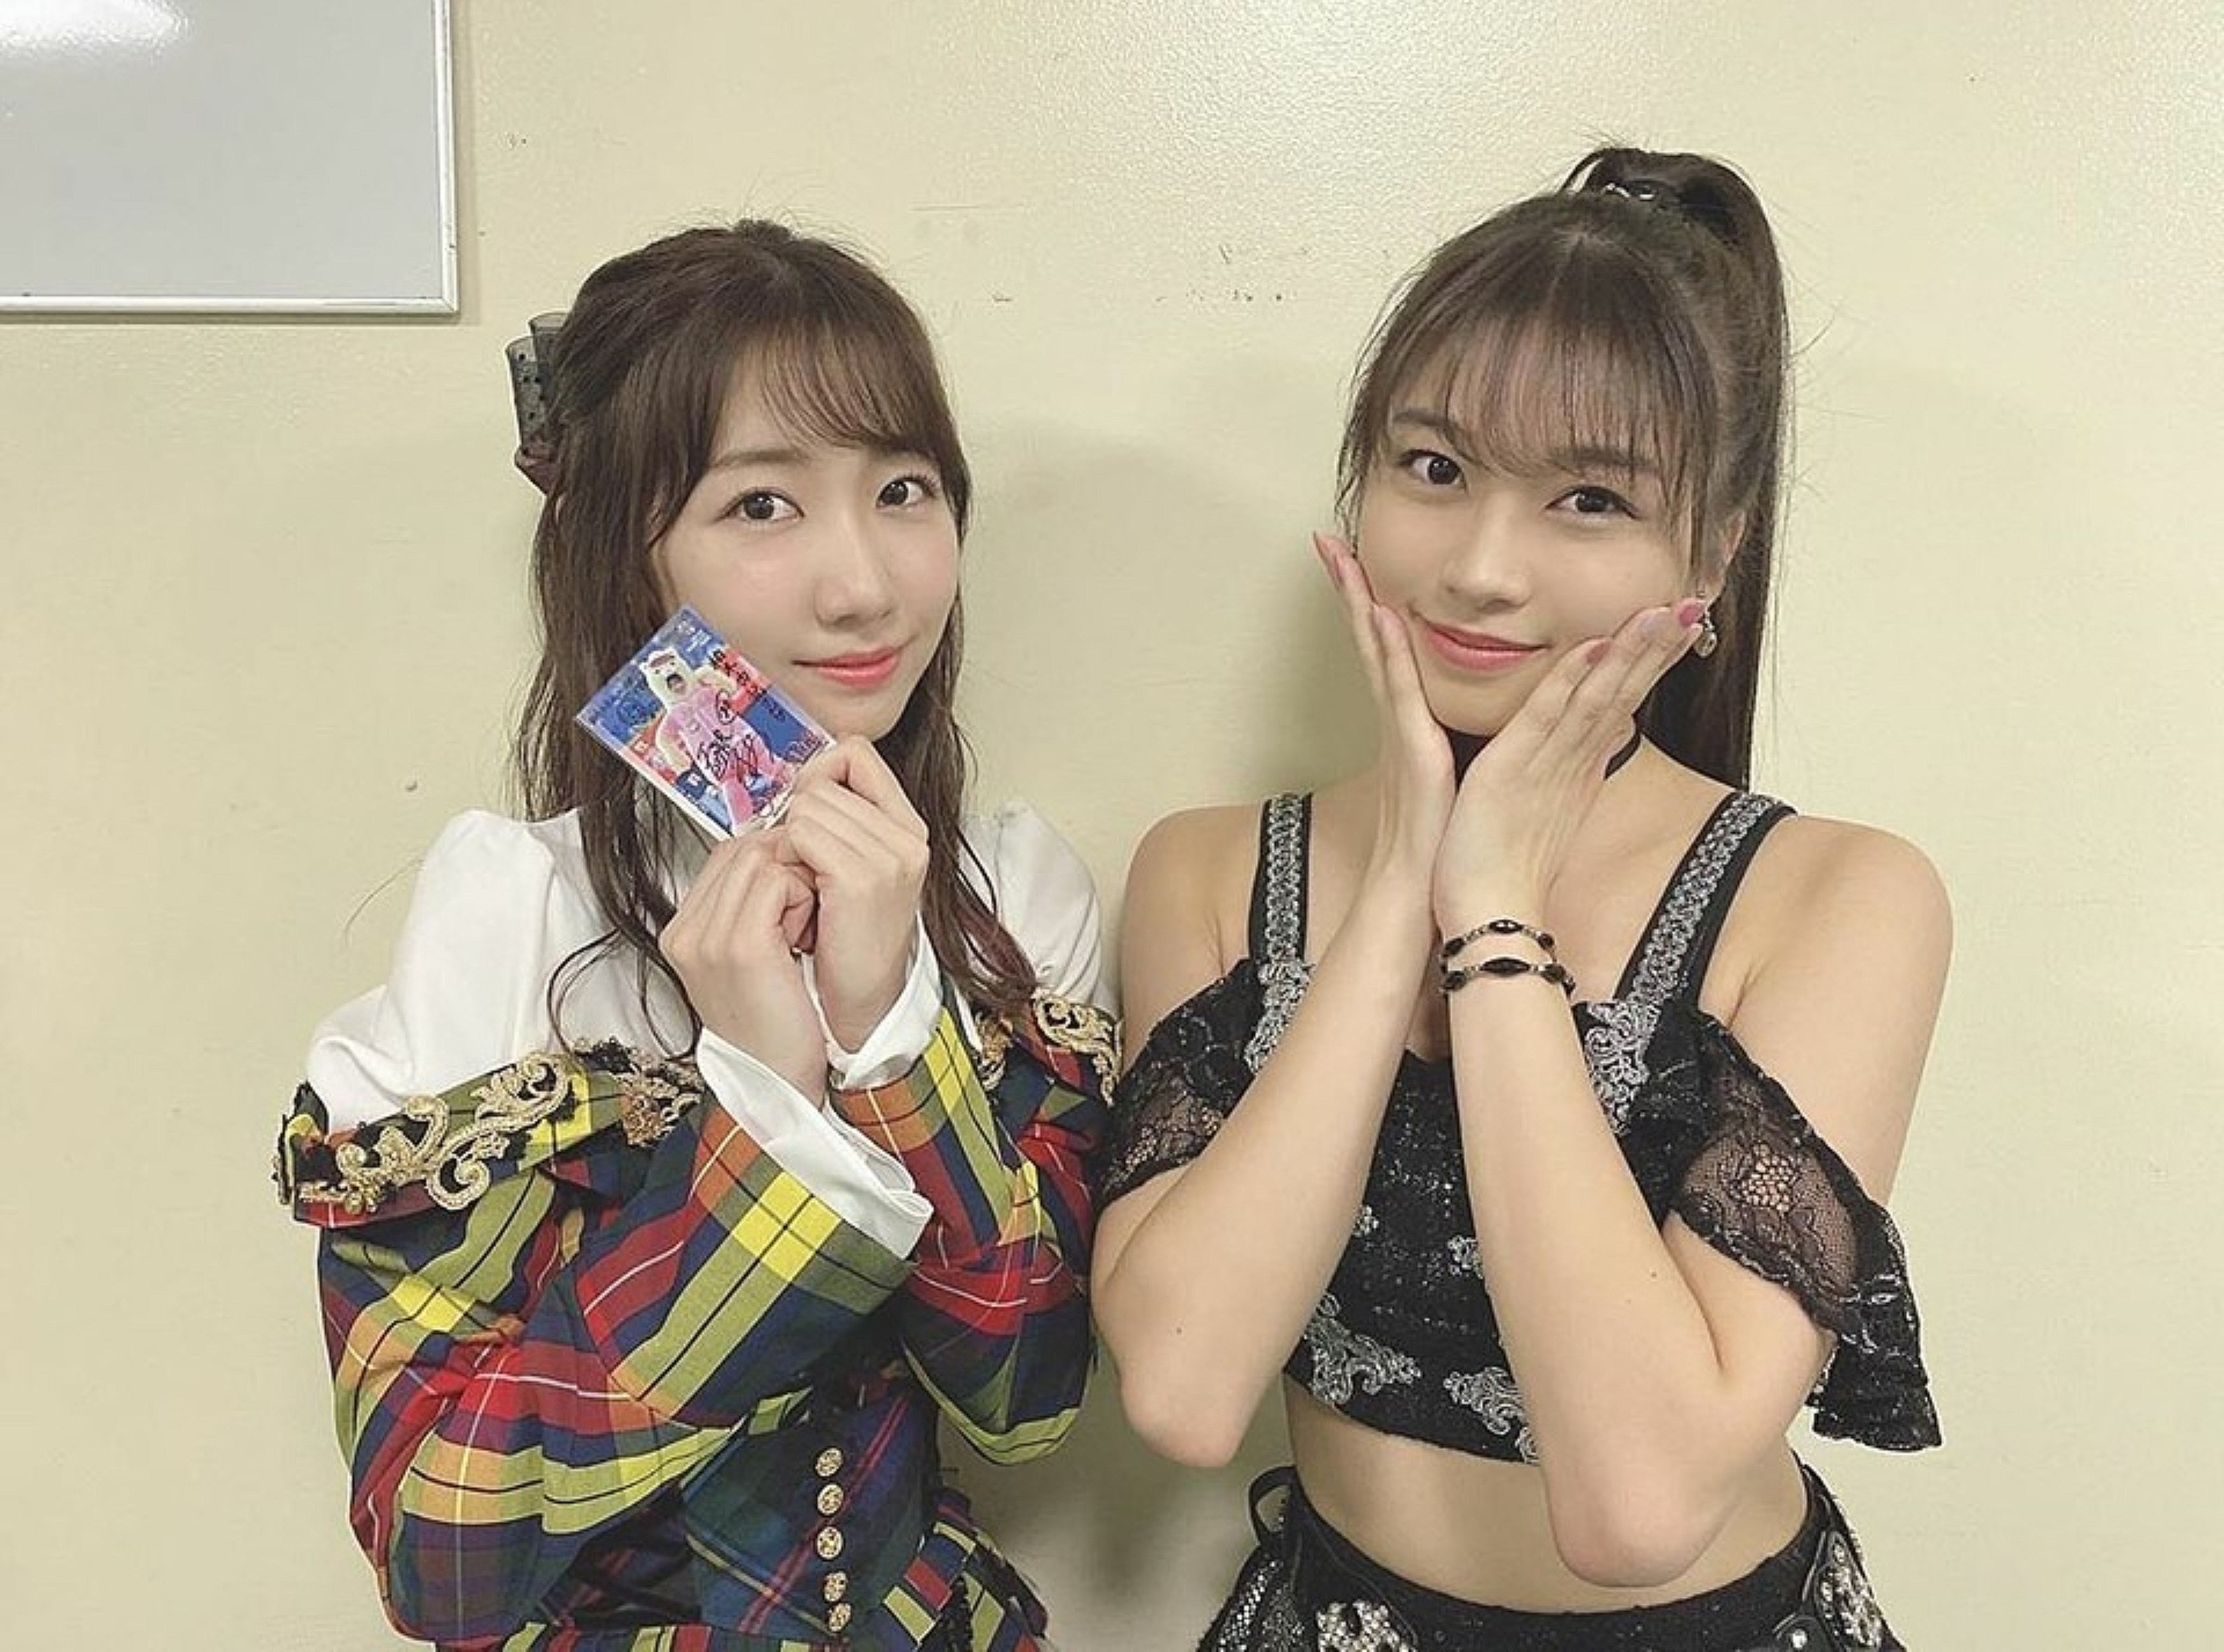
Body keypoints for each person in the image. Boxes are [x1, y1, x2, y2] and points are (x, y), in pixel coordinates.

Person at [1092, 148, 1947, 1652]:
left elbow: (1639, 1505)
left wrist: (1493, 914)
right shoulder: (1210, 874)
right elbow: (1186, 1387)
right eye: (1435, 470)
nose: (1484, 570)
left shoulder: (1837, 899)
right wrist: (1397, 894)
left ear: (1714, 550)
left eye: (1590, 499)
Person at [274, 220, 1116, 1651]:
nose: (864, 586)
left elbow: (1027, 1401)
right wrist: (767, 1100)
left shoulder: (1011, 897)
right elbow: (441, 1556)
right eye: (762, 506)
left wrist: (891, 1030)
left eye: (903, 490)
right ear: (629, 552)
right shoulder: (513, 911)